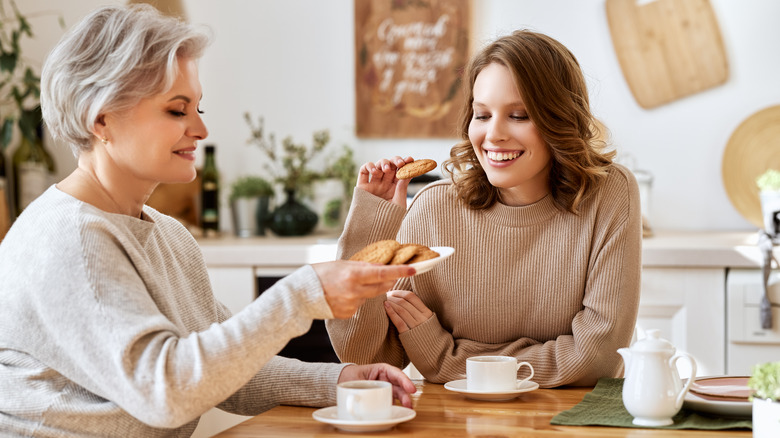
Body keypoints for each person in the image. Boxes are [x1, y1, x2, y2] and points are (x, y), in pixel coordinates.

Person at [0, 5, 417, 437]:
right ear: (101, 118)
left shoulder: (168, 236)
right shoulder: (69, 242)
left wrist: (340, 380)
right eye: (177, 111)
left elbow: (222, 370)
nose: (200, 129)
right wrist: (302, 293)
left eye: (199, 108)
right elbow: (166, 389)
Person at [326, 29, 642, 388]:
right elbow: (366, 358)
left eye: (519, 115)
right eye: (482, 114)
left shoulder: (609, 194)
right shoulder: (434, 209)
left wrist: (443, 358)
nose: (493, 135)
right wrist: (368, 235)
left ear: (560, 120)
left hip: (570, 419)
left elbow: (596, 357)